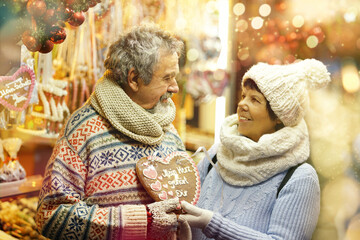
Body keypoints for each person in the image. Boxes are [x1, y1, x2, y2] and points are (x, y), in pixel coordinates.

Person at [36, 24, 187, 240]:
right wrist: (141, 220)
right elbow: (50, 216)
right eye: (166, 78)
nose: (175, 87)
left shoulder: (168, 130)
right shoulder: (84, 129)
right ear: (134, 79)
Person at [179, 59, 331, 240]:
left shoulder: (300, 178)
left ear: (280, 117)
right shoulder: (217, 155)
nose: (242, 104)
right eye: (243, 96)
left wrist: (213, 224)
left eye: (255, 100)